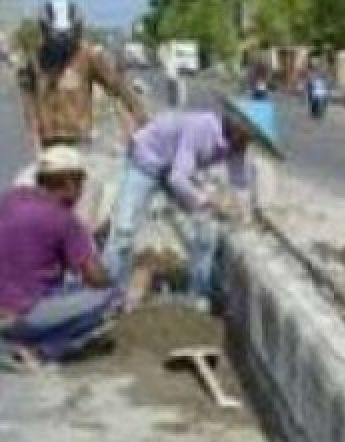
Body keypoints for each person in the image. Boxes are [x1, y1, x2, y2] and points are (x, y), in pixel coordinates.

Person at [101, 95, 284, 306]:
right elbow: (178, 179)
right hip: (146, 160)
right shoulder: (203, 127)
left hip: (174, 167)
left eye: (251, 139)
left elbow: (240, 184)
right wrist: (206, 200)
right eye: (247, 136)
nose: (246, 143)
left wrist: (248, 215)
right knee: (124, 228)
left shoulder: (236, 146)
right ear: (236, 123)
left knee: (206, 230)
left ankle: (198, 294)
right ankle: (107, 293)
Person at [16, 0, 148, 230]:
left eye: (66, 36)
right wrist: (34, 138)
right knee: (36, 208)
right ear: (45, 31)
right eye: (56, 36)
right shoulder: (35, 61)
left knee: (87, 211)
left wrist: (142, 119)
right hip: (49, 144)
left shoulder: (88, 57)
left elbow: (119, 88)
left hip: (81, 143)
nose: (62, 43)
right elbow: (28, 100)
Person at [0, 146, 120, 370]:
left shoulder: (9, 200)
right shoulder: (64, 219)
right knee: (111, 298)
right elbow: (94, 277)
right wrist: (115, 285)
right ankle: (41, 351)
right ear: (69, 183)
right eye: (80, 183)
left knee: (67, 288)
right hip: (20, 318)